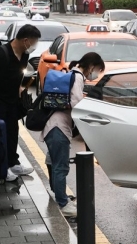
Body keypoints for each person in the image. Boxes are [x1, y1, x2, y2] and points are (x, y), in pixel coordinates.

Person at [41, 52, 105, 217]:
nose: (95, 74)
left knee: (53, 161)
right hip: (59, 127)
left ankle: (58, 192)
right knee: (61, 166)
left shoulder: (71, 74)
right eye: (97, 69)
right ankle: (63, 204)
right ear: (91, 66)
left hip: (53, 126)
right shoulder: (77, 77)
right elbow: (76, 103)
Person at [0, 24, 41, 182]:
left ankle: (13, 162)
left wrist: (19, 90)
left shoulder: (24, 55)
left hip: (12, 100)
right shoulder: (0, 55)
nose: (34, 47)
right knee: (0, 134)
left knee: (12, 131)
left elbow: (17, 75)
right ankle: (2, 168)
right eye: (34, 43)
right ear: (25, 40)